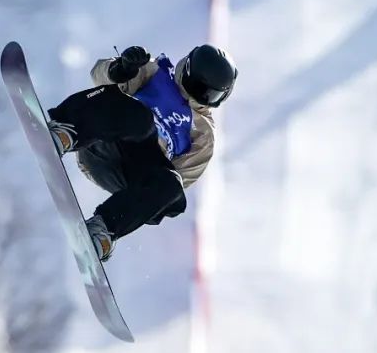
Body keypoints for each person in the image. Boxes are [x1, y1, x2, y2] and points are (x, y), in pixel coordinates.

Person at [46, 44, 237, 261]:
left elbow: (178, 182)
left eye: (210, 95)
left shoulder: (203, 133)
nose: (200, 96)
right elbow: (99, 76)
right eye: (197, 86)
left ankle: (105, 228)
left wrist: (152, 195)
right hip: (105, 139)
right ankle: (67, 131)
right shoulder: (156, 72)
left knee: (172, 186)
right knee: (142, 118)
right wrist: (122, 69)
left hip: (131, 170)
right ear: (187, 70)